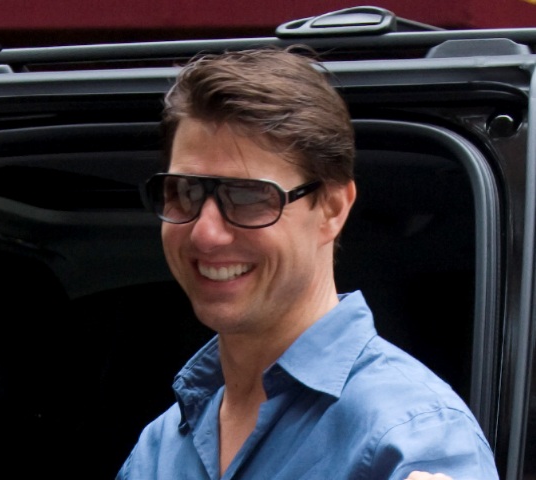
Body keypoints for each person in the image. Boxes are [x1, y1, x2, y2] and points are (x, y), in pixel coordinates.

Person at [116, 46, 499, 480]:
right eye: (184, 191)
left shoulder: (413, 435)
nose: (206, 233)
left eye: (248, 196)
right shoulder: (160, 446)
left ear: (333, 208)